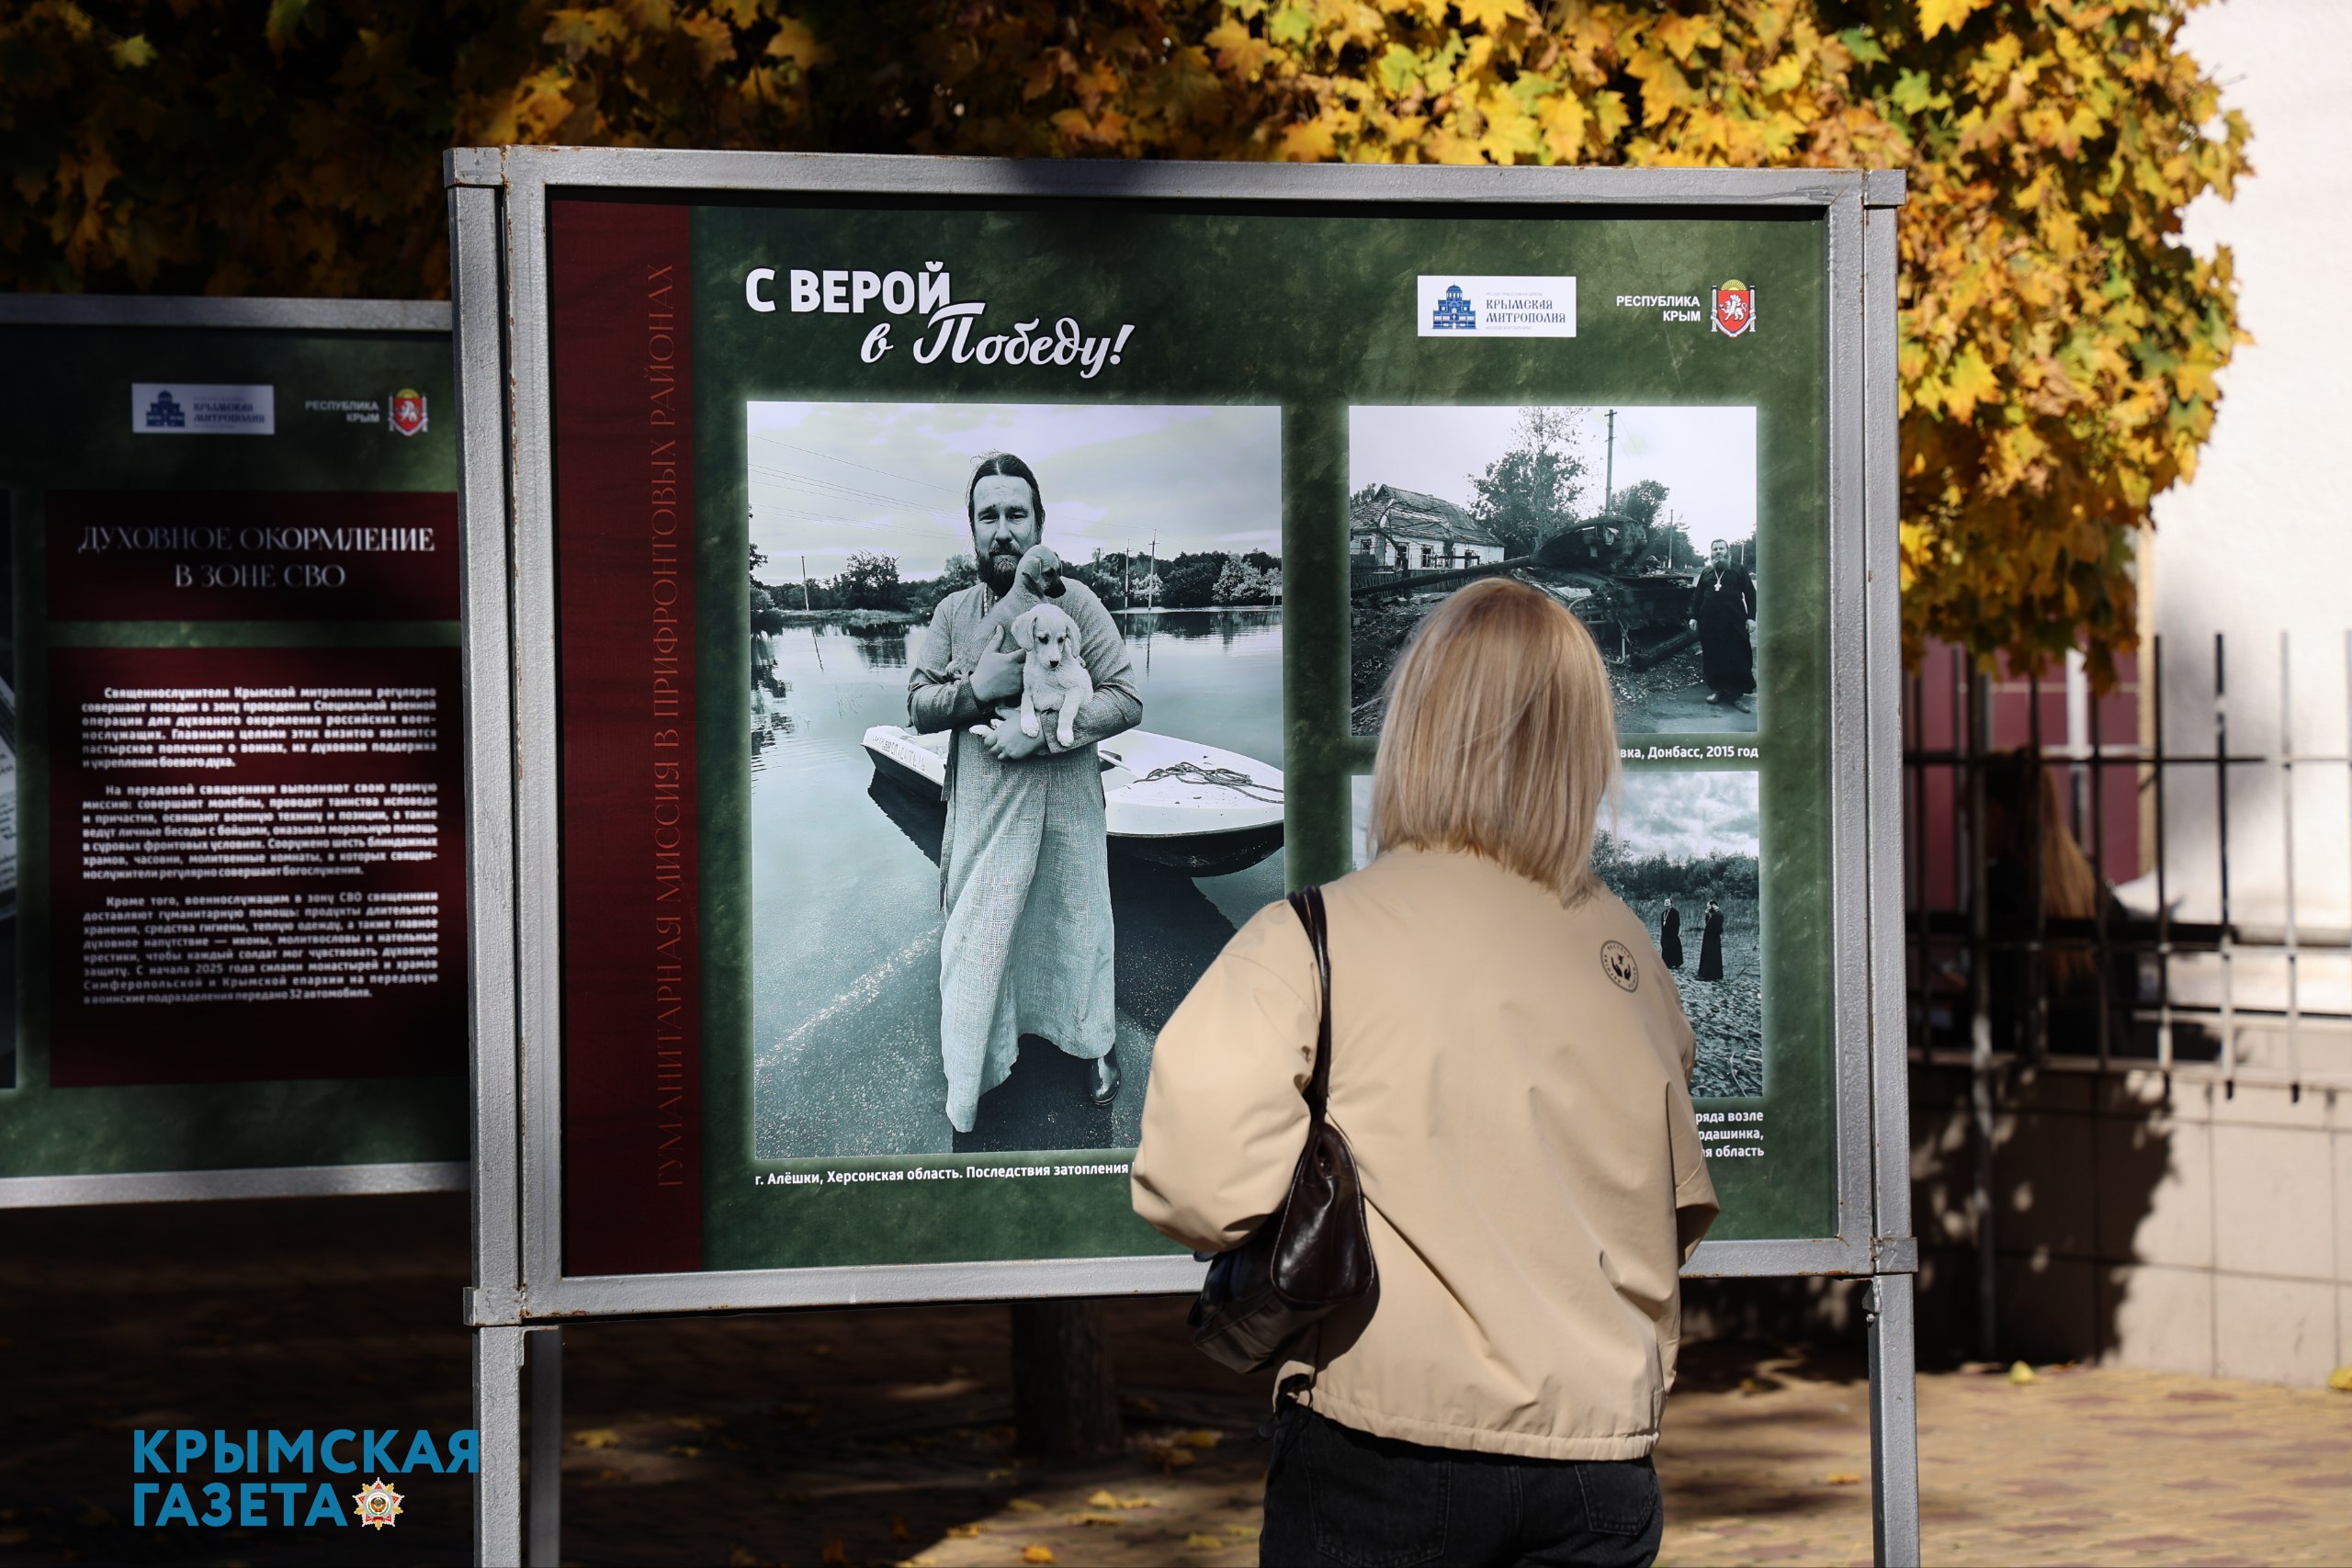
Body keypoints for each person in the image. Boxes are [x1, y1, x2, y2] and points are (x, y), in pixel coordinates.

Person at [1133, 578, 1717, 1568]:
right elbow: (1674, 1212)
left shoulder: (1311, 938)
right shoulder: (1629, 956)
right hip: (1601, 1468)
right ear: (1584, 747)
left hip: (1378, 1457)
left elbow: (1199, 1192)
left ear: (1416, 728)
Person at [907, 452, 1141, 1134]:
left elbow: (1126, 699)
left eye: (1017, 514)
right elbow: (918, 705)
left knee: (1077, 923)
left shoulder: (1080, 606)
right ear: (973, 530)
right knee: (979, 940)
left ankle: (1091, 1044)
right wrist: (977, 690)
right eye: (989, 516)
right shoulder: (953, 612)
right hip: (984, 812)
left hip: (1068, 807)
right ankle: (979, 1062)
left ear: (1039, 523)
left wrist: (1040, 735)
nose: (1003, 530)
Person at [1685, 539, 1757, 709]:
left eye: (1721, 549)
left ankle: (1735, 695)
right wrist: (1694, 617)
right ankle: (1716, 690)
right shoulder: (1706, 572)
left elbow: (1751, 595)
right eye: (1715, 549)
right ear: (1711, 552)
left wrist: (1751, 618)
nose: (1718, 552)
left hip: (1734, 622)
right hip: (1709, 623)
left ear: (1727, 551)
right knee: (1712, 656)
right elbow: (1698, 597)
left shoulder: (1738, 570)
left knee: (1737, 656)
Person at [1696, 898, 1724, 982]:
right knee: (1708, 956)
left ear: (1713, 905)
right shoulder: (1715, 914)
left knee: (1711, 956)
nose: (1708, 909)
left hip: (1713, 940)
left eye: (1709, 907)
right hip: (1709, 939)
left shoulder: (1719, 914)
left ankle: (1709, 975)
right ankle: (1707, 974)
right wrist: (1707, 914)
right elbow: (1709, 924)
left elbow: (1718, 929)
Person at [1659, 894, 1683, 970]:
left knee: (1673, 948)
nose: (1666, 903)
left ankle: (1675, 963)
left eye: (1668, 902)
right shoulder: (1663, 913)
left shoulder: (1675, 912)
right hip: (1665, 934)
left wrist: (1676, 933)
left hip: (1672, 934)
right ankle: (1666, 963)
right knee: (1665, 948)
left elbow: (1677, 924)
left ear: (1671, 903)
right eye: (1665, 902)